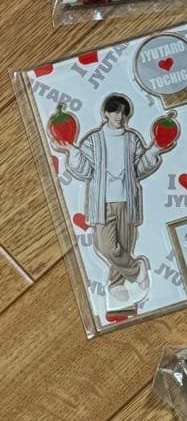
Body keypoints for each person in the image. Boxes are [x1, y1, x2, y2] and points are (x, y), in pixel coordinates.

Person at [53, 94, 165, 309]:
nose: (119, 116)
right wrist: (72, 151)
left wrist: (154, 150)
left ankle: (116, 285)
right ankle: (137, 270)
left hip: (127, 202)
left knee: (124, 246)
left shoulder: (132, 139)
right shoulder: (93, 140)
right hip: (102, 203)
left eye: (123, 112)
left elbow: (139, 169)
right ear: (105, 113)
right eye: (114, 111)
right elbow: (84, 170)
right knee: (105, 246)